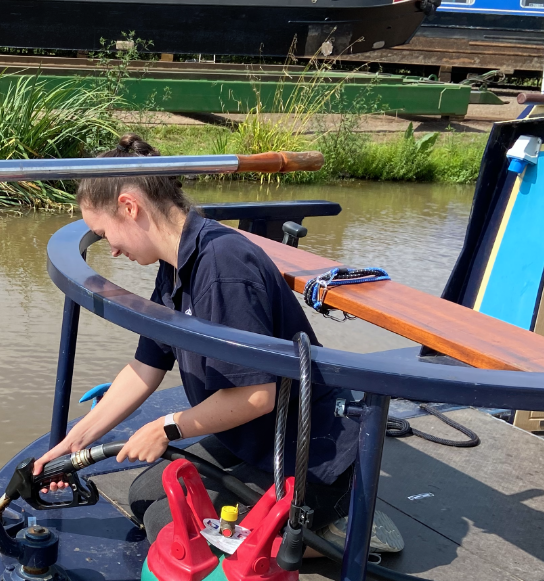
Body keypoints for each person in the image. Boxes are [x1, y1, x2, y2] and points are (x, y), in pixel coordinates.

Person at [34, 134, 400, 553]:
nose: (111, 250)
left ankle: (329, 518)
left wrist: (166, 427)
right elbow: (145, 368)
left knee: (168, 524)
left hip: (305, 456)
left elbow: (257, 395)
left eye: (104, 232)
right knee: (145, 494)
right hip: (251, 438)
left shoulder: (222, 268)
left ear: (129, 207)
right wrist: (73, 443)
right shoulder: (175, 265)